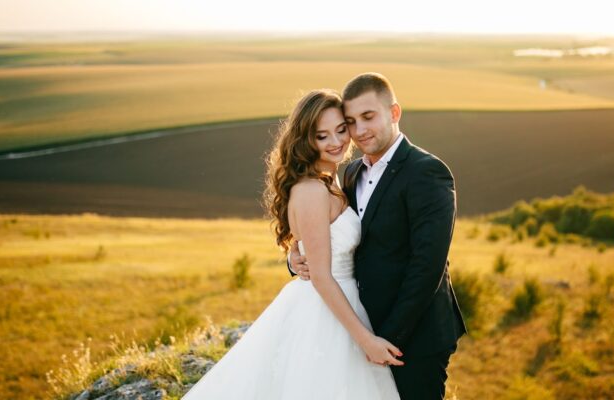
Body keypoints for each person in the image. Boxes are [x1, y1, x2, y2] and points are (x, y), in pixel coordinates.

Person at [181, 88, 401, 399]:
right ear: (305, 140)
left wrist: (294, 257)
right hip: (326, 308)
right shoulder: (312, 189)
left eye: (341, 130)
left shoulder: (332, 177)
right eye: (322, 136)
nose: (336, 142)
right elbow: (322, 276)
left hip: (344, 300)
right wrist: (366, 341)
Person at [290, 72, 468, 400]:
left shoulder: (427, 172)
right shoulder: (352, 172)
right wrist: (296, 256)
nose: (359, 131)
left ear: (394, 113)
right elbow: (335, 239)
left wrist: (384, 339)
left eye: (368, 117)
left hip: (413, 337)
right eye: (351, 122)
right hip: (362, 330)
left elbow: (426, 268)